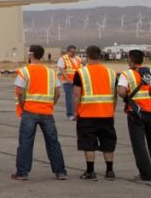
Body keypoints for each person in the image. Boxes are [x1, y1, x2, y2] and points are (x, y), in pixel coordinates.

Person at [12, 44, 68, 181]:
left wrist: (23, 106)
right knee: (53, 142)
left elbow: (19, 92)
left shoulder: (24, 71)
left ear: (30, 55)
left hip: (30, 111)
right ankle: (60, 172)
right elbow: (57, 93)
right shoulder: (51, 72)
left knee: (26, 142)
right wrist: (50, 104)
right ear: (42, 55)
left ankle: (22, 172)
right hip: (47, 112)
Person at [73, 45, 118, 180]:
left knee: (89, 143)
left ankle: (90, 171)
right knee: (108, 143)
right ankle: (110, 171)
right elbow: (114, 95)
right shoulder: (111, 72)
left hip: (87, 114)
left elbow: (76, 94)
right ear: (100, 56)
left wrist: (75, 111)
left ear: (87, 56)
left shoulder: (81, 72)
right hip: (107, 114)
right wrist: (112, 110)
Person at [117, 49, 151, 181]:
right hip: (150, 111)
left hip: (136, 112)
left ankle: (146, 174)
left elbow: (120, 91)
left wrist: (127, 97)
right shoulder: (148, 73)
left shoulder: (127, 74)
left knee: (139, 145)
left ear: (130, 59)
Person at [58, 45, 83, 121]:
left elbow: (81, 69)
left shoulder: (78, 59)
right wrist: (67, 79)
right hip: (68, 82)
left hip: (77, 82)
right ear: (68, 51)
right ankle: (70, 114)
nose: (74, 53)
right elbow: (61, 69)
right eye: (72, 52)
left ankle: (78, 113)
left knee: (78, 97)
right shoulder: (63, 59)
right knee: (70, 98)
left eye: (75, 52)